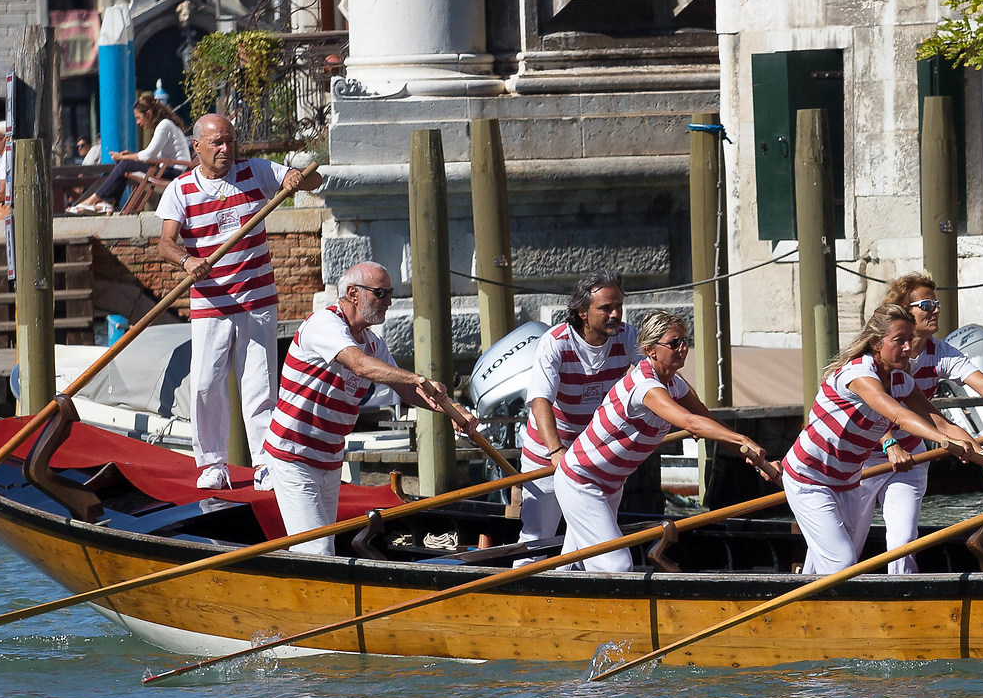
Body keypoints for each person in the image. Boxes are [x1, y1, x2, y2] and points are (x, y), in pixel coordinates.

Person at [157, 112, 322, 491]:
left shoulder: (257, 172)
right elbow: (166, 243)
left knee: (260, 386)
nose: (225, 149)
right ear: (196, 145)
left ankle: (265, 462)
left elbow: (313, 180)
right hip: (210, 302)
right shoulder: (180, 190)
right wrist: (187, 260)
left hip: (257, 299)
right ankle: (212, 464)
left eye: (230, 141)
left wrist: (298, 177)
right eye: (217, 142)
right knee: (204, 384)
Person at [261, 262, 474, 554]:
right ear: (353, 294)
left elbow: (407, 390)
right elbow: (360, 367)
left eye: (390, 294)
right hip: (292, 455)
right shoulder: (324, 324)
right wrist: (417, 377)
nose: (388, 302)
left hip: (329, 457)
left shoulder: (375, 345)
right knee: (317, 551)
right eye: (380, 293)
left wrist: (453, 411)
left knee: (325, 548)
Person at [784, 303, 983, 575]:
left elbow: (941, 422)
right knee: (841, 562)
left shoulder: (901, 379)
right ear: (877, 344)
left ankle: (806, 606)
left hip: (848, 480)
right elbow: (899, 415)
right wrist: (941, 441)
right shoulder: (859, 375)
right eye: (898, 341)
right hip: (809, 477)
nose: (907, 348)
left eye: (909, 340)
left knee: (839, 558)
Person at [552, 311, 780, 570]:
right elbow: (691, 423)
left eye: (685, 341)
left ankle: (547, 601)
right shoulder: (644, 386)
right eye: (674, 343)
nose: (682, 348)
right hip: (582, 480)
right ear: (650, 350)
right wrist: (742, 438)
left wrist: (757, 461)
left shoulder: (674, 384)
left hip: (611, 485)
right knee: (615, 566)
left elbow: (707, 420)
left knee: (573, 564)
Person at [860, 272, 983, 572]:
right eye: (927, 304)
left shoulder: (939, 352)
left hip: (911, 457)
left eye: (937, 303)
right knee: (846, 545)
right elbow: (875, 407)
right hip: (862, 458)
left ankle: (905, 606)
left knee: (903, 542)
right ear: (905, 311)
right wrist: (889, 442)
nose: (937, 310)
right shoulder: (873, 358)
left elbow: (980, 389)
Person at [517, 271, 637, 559]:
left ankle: (574, 589)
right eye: (606, 308)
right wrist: (556, 451)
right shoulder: (556, 342)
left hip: (594, 454)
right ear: (582, 311)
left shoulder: (628, 337)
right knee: (538, 535)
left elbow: (654, 379)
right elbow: (540, 400)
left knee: (593, 538)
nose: (615, 314)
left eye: (618, 306)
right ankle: (521, 588)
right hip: (547, 451)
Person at [74, 94, 191, 213]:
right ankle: (108, 202)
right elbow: (154, 157)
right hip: (169, 170)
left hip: (173, 173)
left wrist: (124, 157)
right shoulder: (164, 125)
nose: (138, 122)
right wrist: (130, 156)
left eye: (138, 118)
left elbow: (148, 155)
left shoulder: (164, 125)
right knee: (125, 165)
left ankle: (93, 200)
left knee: (125, 164)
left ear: (149, 114)